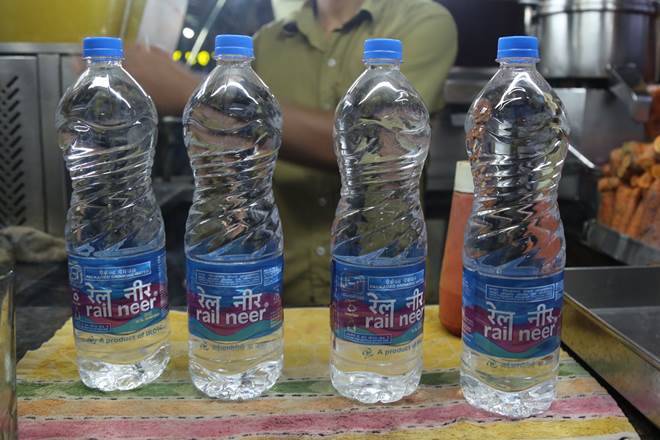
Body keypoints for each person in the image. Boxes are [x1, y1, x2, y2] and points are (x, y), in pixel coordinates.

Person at [124, 0, 457, 306]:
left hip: (384, 285)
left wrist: (189, 90)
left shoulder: (423, 20)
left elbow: (378, 146)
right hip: (276, 289)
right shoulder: (266, 41)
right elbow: (234, 144)